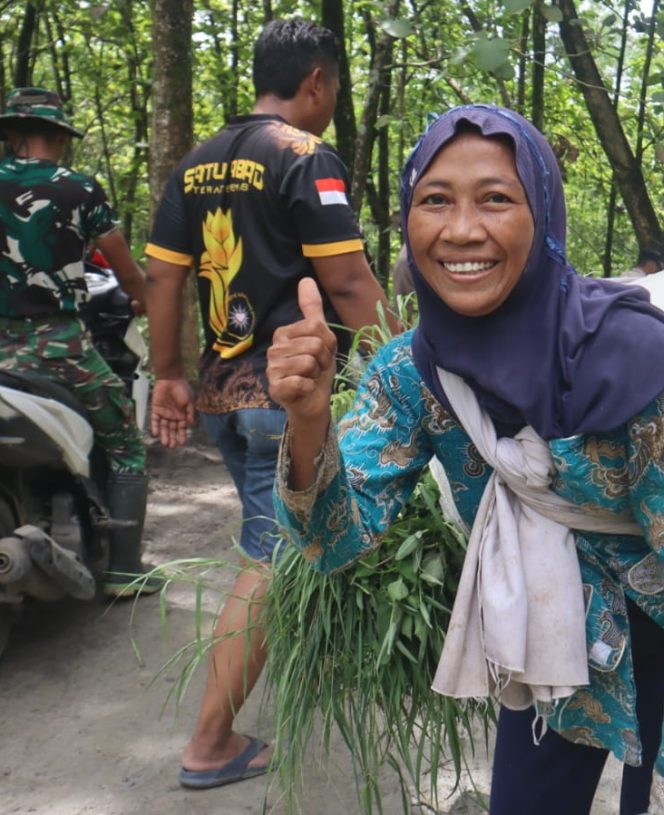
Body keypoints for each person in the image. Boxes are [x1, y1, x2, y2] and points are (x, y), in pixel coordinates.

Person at [268, 104, 664, 814]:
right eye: (435, 200)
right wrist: (310, 420)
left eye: (496, 199)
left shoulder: (632, 361)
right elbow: (331, 540)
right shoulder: (410, 376)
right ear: (408, 226)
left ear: (542, 218)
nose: (463, 229)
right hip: (550, 630)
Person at [143, 18, 393, 790]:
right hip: (287, 397)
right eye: (335, 88)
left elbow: (164, 278)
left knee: (275, 543)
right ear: (316, 81)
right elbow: (348, 283)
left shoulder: (195, 163)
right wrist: (403, 368)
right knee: (271, 558)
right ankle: (209, 742)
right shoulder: (303, 157)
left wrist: (169, 373)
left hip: (223, 394)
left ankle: (236, 716)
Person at [0, 87, 159, 598]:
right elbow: (125, 268)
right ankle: (126, 569)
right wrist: (145, 301)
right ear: (58, 138)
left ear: (14, 133)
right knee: (127, 446)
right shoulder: (79, 188)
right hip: (60, 347)